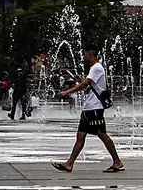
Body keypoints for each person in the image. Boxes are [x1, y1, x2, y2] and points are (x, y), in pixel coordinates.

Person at [52, 45, 124, 174]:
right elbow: (88, 86)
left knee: (102, 135)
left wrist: (67, 92)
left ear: (90, 54)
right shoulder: (94, 69)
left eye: (85, 54)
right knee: (80, 136)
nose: (84, 56)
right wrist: (81, 81)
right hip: (89, 108)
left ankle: (117, 161)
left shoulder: (96, 67)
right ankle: (69, 164)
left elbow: (86, 84)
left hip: (95, 108)